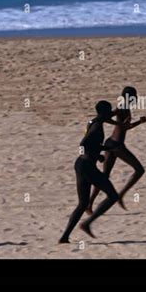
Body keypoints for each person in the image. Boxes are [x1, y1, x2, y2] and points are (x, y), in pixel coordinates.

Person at [59, 101, 120, 243]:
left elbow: (92, 144)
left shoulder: (93, 120)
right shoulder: (98, 126)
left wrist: (97, 154)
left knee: (82, 204)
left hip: (80, 164)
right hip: (87, 166)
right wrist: (102, 151)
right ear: (103, 113)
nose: (110, 114)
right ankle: (87, 223)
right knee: (113, 196)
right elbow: (83, 143)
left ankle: (64, 237)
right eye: (108, 111)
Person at [86, 86, 146, 214]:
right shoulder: (122, 107)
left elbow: (125, 127)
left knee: (104, 176)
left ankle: (89, 204)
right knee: (139, 170)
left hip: (111, 143)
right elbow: (106, 118)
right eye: (134, 95)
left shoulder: (125, 107)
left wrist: (139, 122)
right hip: (117, 146)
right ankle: (121, 195)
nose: (136, 98)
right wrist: (119, 124)